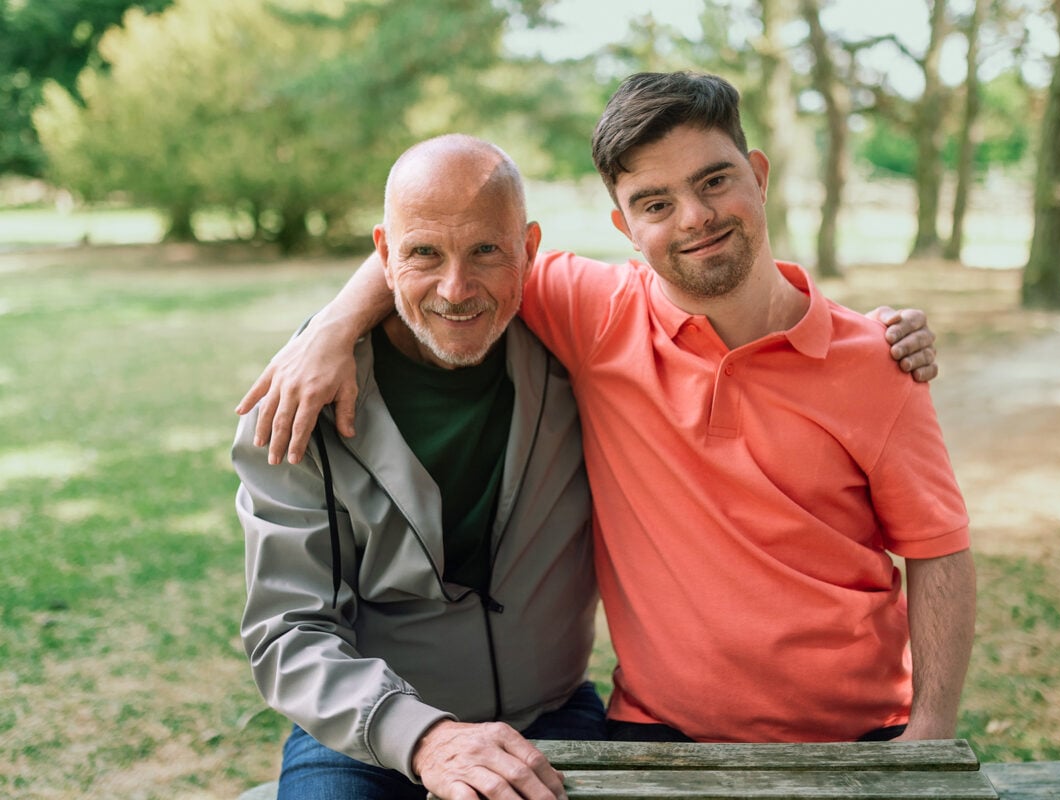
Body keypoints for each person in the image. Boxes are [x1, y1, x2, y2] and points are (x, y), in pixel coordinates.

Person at [238, 72, 957, 791]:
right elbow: (285, 633)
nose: (694, 218)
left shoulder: (868, 360)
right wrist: (326, 329)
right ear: (625, 225)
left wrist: (927, 739)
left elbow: (939, 550)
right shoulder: (590, 319)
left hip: (629, 724)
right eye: (656, 202)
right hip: (444, 734)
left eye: (714, 181)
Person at [235, 136, 603, 800]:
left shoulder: (579, 349)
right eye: (424, 253)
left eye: (487, 251)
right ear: (383, 253)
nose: (456, 289)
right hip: (362, 737)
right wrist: (424, 737)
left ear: (529, 247)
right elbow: (286, 630)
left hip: (551, 716)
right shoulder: (298, 402)